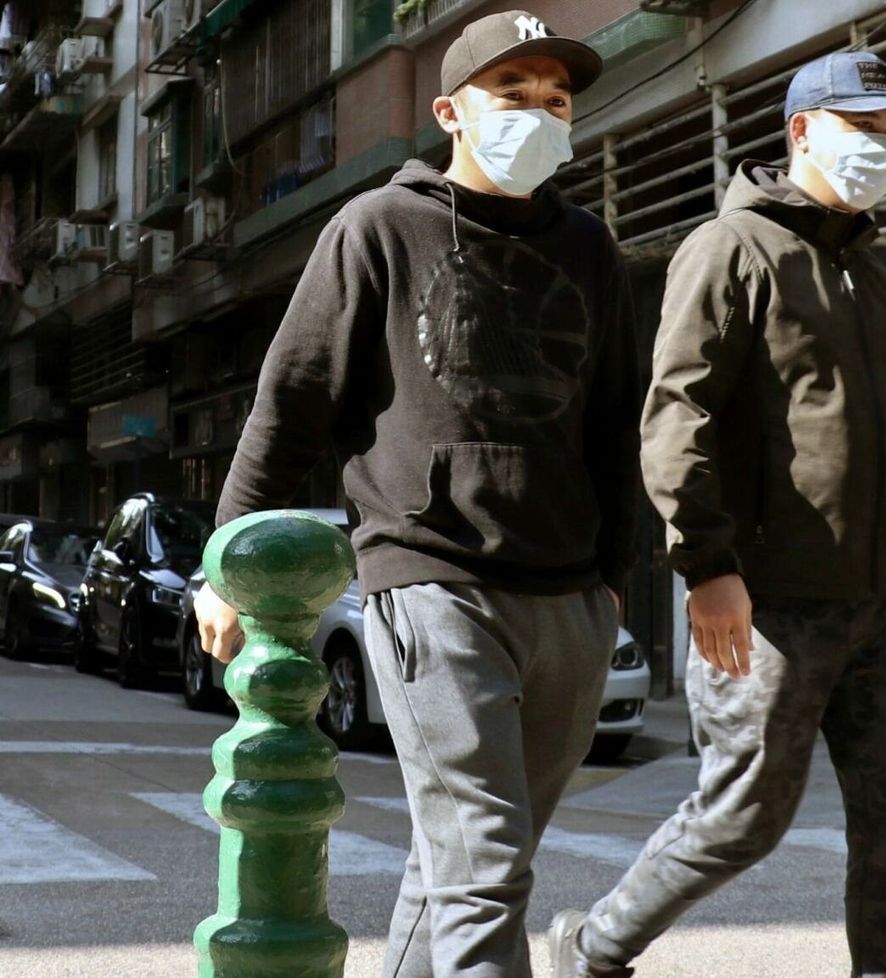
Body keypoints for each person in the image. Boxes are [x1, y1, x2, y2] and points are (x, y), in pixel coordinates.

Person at [194, 11, 642, 978]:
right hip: (430, 579)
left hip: (569, 593)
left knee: (468, 860)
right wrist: (225, 564)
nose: (539, 115)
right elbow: (294, 399)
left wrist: (615, 579)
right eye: (511, 95)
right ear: (449, 112)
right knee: (483, 864)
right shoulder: (377, 228)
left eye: (556, 100)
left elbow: (616, 424)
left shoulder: (590, 248)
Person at [549, 51, 886, 978]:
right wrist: (707, 565)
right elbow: (675, 414)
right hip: (769, 599)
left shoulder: (873, 272)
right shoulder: (731, 246)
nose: (885, 149)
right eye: (867, 128)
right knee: (742, 817)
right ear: (803, 131)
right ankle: (592, 946)